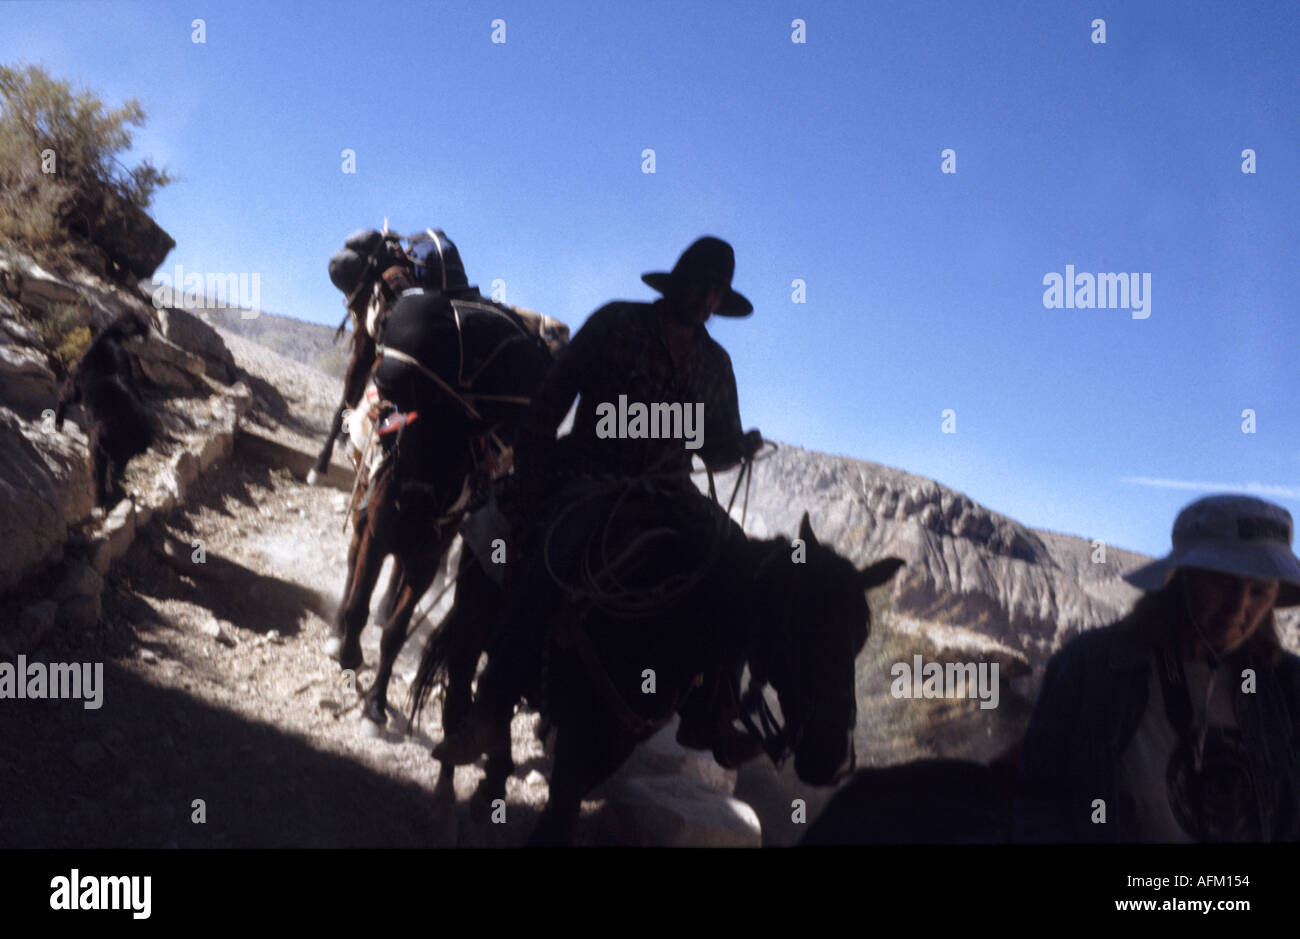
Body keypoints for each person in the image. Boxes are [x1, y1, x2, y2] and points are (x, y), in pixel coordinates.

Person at [433, 236, 764, 767]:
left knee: (740, 566)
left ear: (721, 303)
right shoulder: (616, 324)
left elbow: (714, 446)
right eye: (698, 286)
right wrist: (538, 473)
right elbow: (549, 403)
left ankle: (714, 714)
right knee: (552, 558)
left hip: (670, 492)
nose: (704, 299)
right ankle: (491, 709)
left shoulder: (715, 364)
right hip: (591, 475)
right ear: (676, 283)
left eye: (715, 294)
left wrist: (739, 446)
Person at [1014, 494, 1300, 843]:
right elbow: (1040, 799)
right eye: (1222, 583)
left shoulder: (1287, 685)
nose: (1238, 609)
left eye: (1259, 591)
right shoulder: (1092, 668)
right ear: (1180, 580)